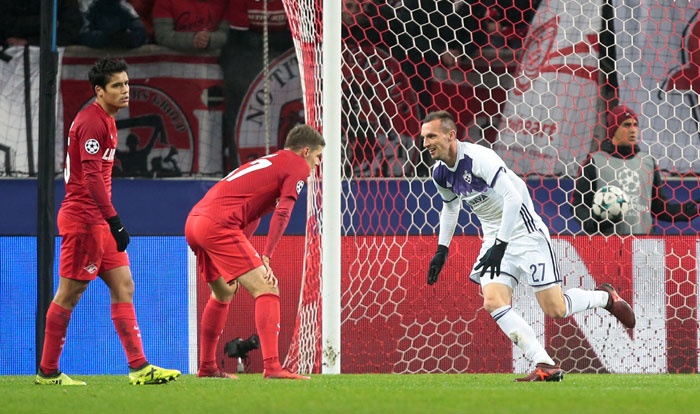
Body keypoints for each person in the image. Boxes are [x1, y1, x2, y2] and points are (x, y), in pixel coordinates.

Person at [421, 110, 636, 382]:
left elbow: (512, 197)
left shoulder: (479, 158)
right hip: (493, 238)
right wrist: (442, 250)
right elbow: (450, 208)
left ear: (451, 135)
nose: (426, 143)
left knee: (556, 309)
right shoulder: (440, 173)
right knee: (492, 301)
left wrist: (501, 244)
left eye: (431, 136)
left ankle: (605, 297)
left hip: (525, 233)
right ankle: (543, 363)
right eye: (423, 137)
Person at [35, 58, 181, 386]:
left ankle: (139, 367)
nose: (125, 90)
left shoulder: (108, 119)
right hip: (85, 222)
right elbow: (89, 177)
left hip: (98, 222)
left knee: (124, 285)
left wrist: (109, 221)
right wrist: (114, 220)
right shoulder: (91, 121)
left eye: (127, 84)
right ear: (99, 91)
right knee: (69, 295)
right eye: (117, 85)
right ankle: (47, 372)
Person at [185, 124, 324, 379]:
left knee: (224, 291)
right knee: (267, 287)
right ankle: (272, 367)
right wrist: (267, 255)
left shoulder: (271, 162)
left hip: (195, 221)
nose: (316, 164)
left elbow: (251, 216)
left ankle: (206, 367)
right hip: (217, 224)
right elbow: (283, 212)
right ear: (305, 151)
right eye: (317, 157)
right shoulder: (298, 166)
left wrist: (244, 254)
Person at [572, 105, 700, 235]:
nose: (633, 130)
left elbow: (658, 207)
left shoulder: (647, 162)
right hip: (608, 246)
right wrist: (595, 222)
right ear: (613, 129)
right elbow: (578, 205)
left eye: (635, 125)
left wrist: (680, 212)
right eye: (626, 125)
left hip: (644, 245)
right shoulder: (594, 162)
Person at [219, 0, 294, 171]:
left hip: (283, 73)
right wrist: (271, 40)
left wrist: (263, 40)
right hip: (245, 70)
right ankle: (242, 168)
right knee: (244, 123)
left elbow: (291, 39)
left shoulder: (290, 3)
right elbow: (239, 37)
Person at [152, 0, 228, 52]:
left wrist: (210, 39)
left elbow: (230, 35)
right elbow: (163, 35)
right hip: (174, 65)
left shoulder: (228, 2)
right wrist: (193, 39)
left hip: (217, 67)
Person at [0, 0, 82, 47]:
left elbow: (69, 32)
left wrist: (30, 42)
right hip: (9, 55)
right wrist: (44, 22)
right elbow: (6, 25)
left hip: (50, 60)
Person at [79, 0, 148, 49]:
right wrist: (107, 38)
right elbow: (82, 36)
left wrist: (127, 38)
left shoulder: (126, 9)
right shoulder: (89, 8)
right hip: (97, 62)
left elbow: (141, 33)